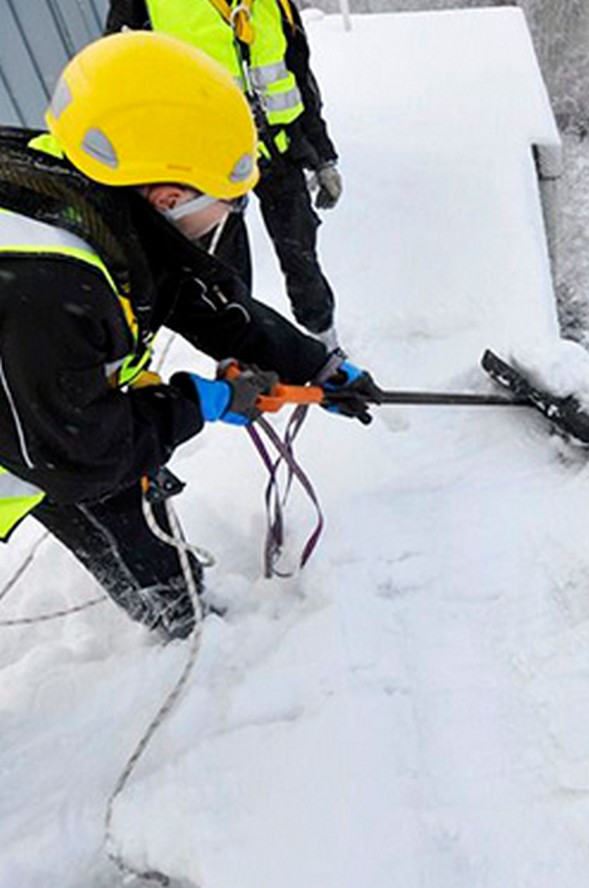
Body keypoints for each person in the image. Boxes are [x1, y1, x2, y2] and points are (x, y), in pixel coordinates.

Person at [0, 31, 380, 640]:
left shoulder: (81, 187)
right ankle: (185, 621)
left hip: (44, 414)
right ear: (170, 195)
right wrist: (201, 402)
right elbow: (84, 456)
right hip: (46, 438)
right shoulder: (47, 286)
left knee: (127, 486)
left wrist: (317, 366)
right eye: (229, 204)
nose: (230, 218)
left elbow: (195, 298)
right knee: (114, 485)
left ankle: (180, 604)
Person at [105, 0, 345, 351]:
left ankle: (325, 348)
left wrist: (324, 156)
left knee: (304, 262)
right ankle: (245, 364)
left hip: (276, 151)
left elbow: (299, 76)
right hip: (202, 166)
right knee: (224, 278)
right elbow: (121, 82)